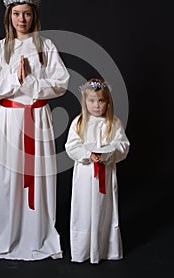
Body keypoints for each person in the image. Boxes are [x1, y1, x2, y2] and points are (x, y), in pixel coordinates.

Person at [0, 0, 70, 260]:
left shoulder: (46, 47)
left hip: (38, 119)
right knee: (9, 177)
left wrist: (31, 83)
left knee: (39, 176)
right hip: (10, 120)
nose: (22, 19)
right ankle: (8, 232)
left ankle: (37, 232)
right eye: (16, 14)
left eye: (27, 13)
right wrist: (13, 81)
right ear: (9, 16)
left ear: (34, 15)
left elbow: (62, 82)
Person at [65, 78, 130, 264]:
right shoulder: (79, 123)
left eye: (101, 101)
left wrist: (107, 155)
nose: (96, 105)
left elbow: (123, 145)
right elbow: (71, 146)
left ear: (107, 102)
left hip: (106, 175)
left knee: (104, 208)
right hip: (85, 175)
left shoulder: (114, 123)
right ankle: (83, 250)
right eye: (92, 101)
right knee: (84, 209)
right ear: (85, 102)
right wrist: (88, 154)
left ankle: (105, 249)